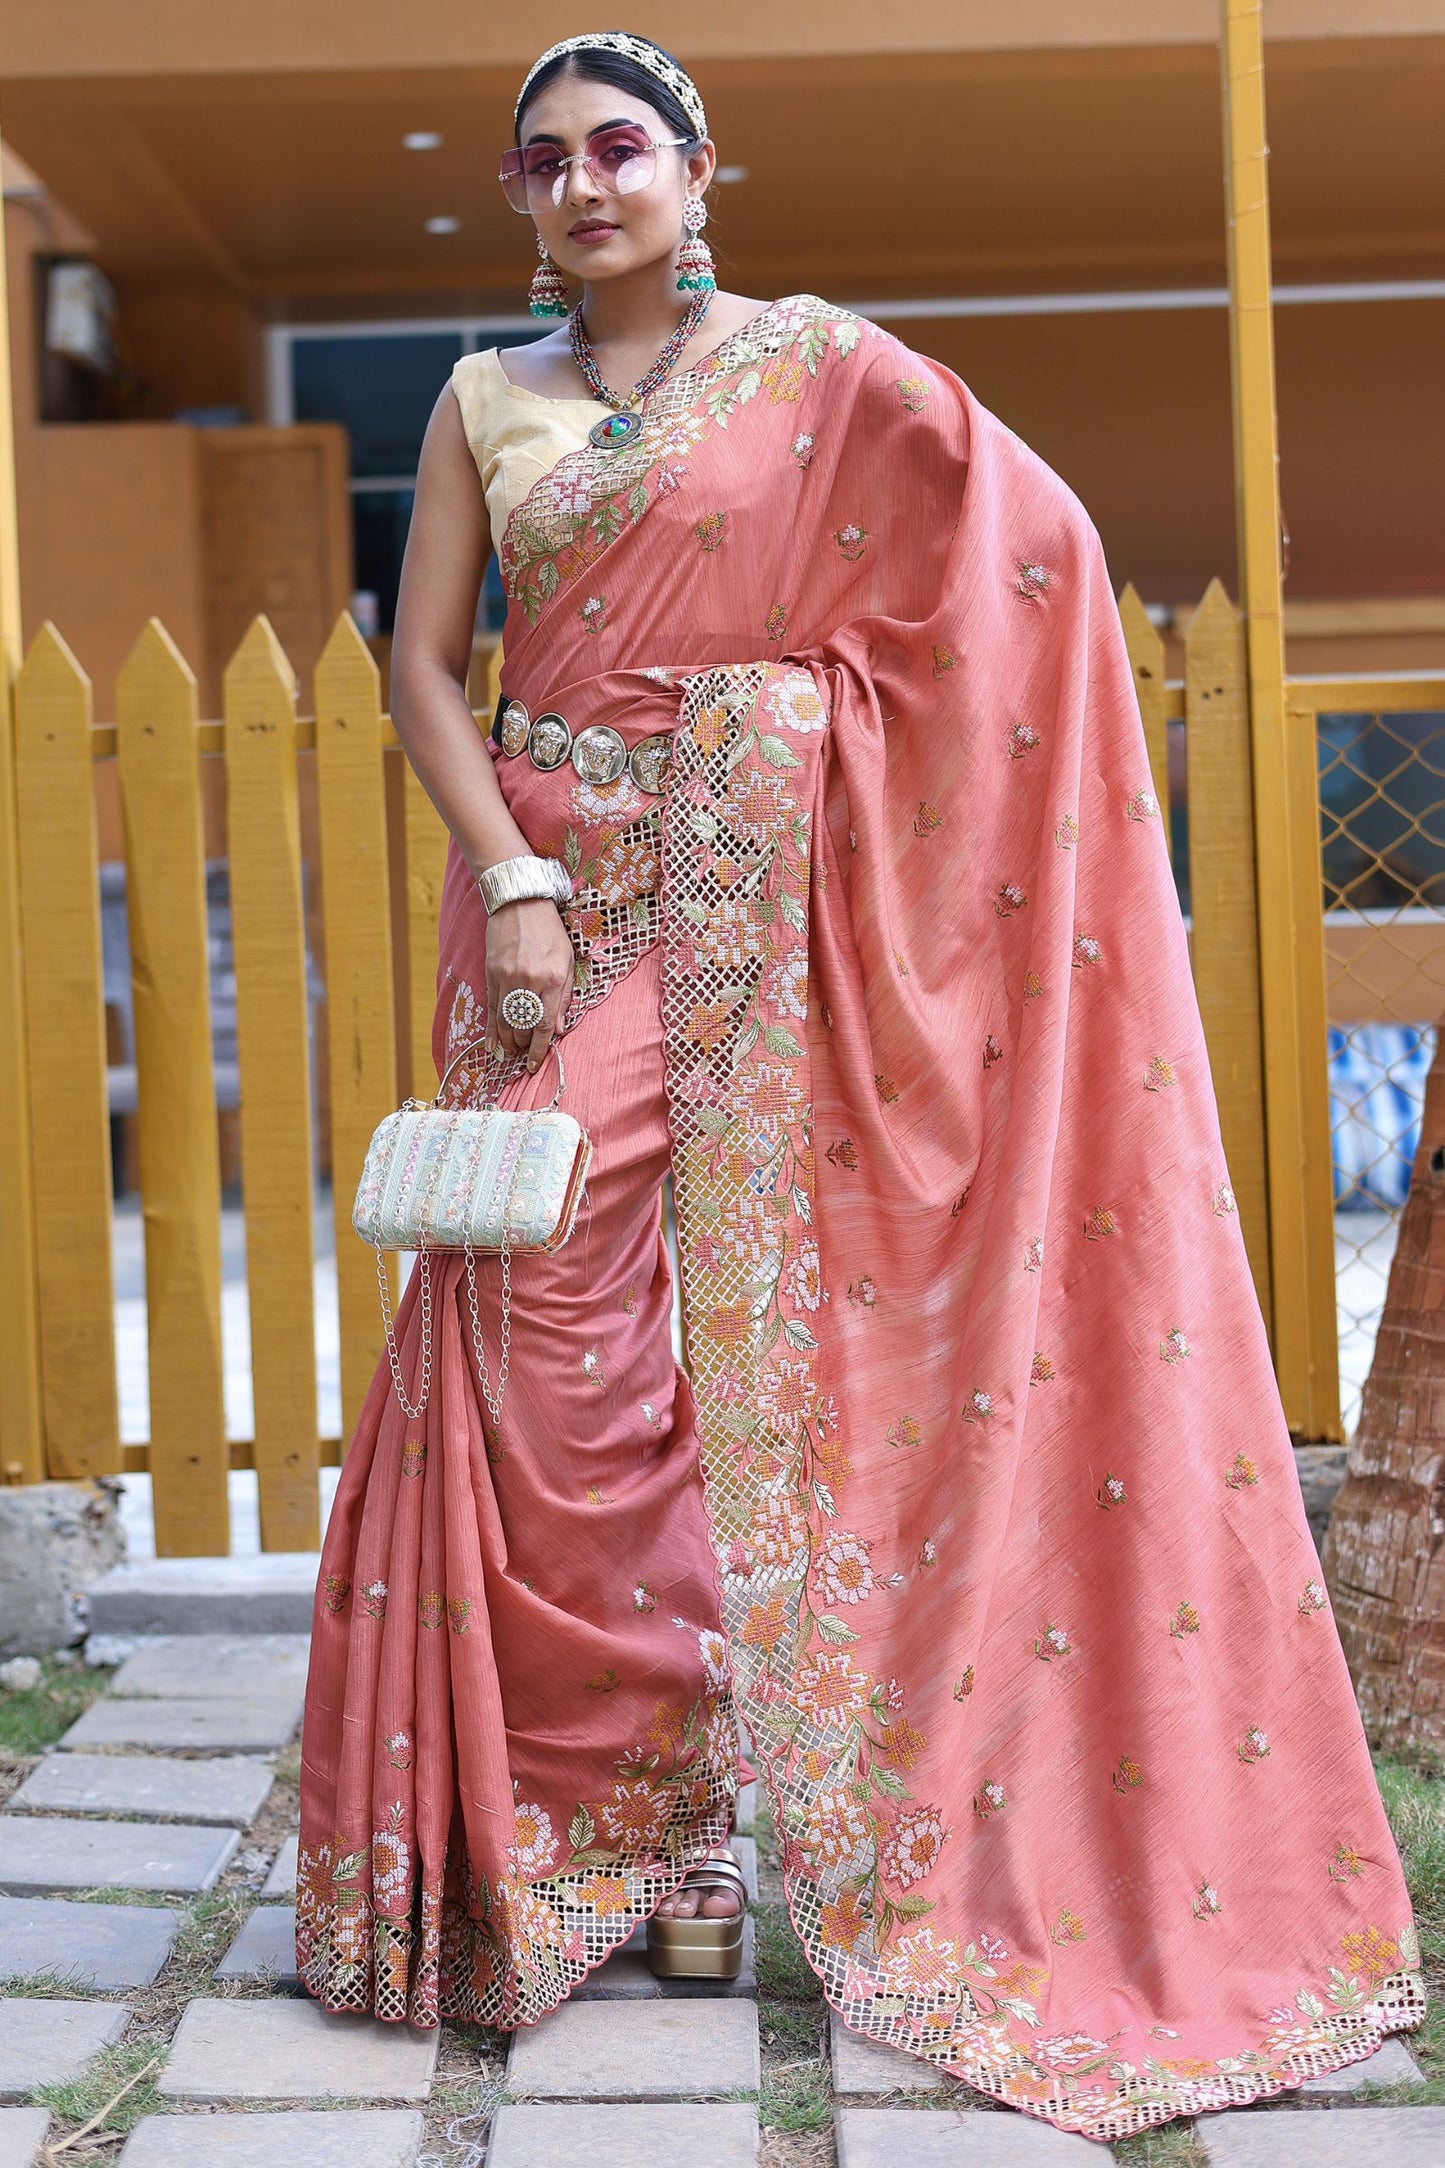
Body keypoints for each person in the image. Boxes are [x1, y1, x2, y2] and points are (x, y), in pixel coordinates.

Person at [296, 30, 1424, 2139]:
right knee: (544, 1353)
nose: (582, 184)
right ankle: (573, 1830)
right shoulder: (479, 403)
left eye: (621, 147)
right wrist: (520, 874)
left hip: (769, 912)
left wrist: (801, 748)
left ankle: (715, 1832)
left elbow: (1032, 563)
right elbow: (422, 668)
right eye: (541, 162)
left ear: (703, 170)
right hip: (549, 922)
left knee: (757, 1359)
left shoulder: (828, 369)